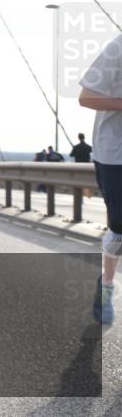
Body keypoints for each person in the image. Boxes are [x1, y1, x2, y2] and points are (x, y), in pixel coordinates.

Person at [79, 33, 122, 325]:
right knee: (119, 230)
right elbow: (86, 97)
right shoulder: (117, 48)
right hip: (115, 152)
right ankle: (106, 286)